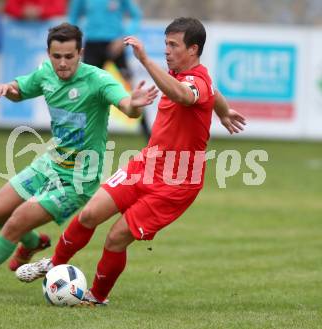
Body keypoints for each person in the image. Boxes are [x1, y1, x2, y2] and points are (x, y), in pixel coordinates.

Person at [16, 17, 246, 306]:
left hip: (176, 183)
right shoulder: (186, 76)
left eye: (173, 45)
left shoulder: (193, 81)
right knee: (89, 215)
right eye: (165, 44)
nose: (167, 50)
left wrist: (146, 61)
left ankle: (97, 297)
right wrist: (223, 112)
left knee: (115, 237)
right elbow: (211, 93)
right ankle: (54, 264)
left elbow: (186, 96)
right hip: (146, 165)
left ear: (193, 49)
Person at [0, 23, 158, 291]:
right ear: (49, 54)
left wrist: (135, 105)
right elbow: (21, 89)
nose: (62, 63)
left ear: (80, 53)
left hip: (77, 179)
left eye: (69, 56)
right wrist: (9, 88)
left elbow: (126, 106)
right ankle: (34, 242)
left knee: (14, 223)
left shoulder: (98, 80)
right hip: (49, 163)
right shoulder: (46, 73)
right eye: (56, 56)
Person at [68, 0, 152, 140]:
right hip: (92, 46)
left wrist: (123, 39)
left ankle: (148, 134)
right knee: (85, 90)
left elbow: (136, 16)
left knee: (132, 88)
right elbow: (73, 17)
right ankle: (78, 134)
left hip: (115, 45)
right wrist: (76, 41)